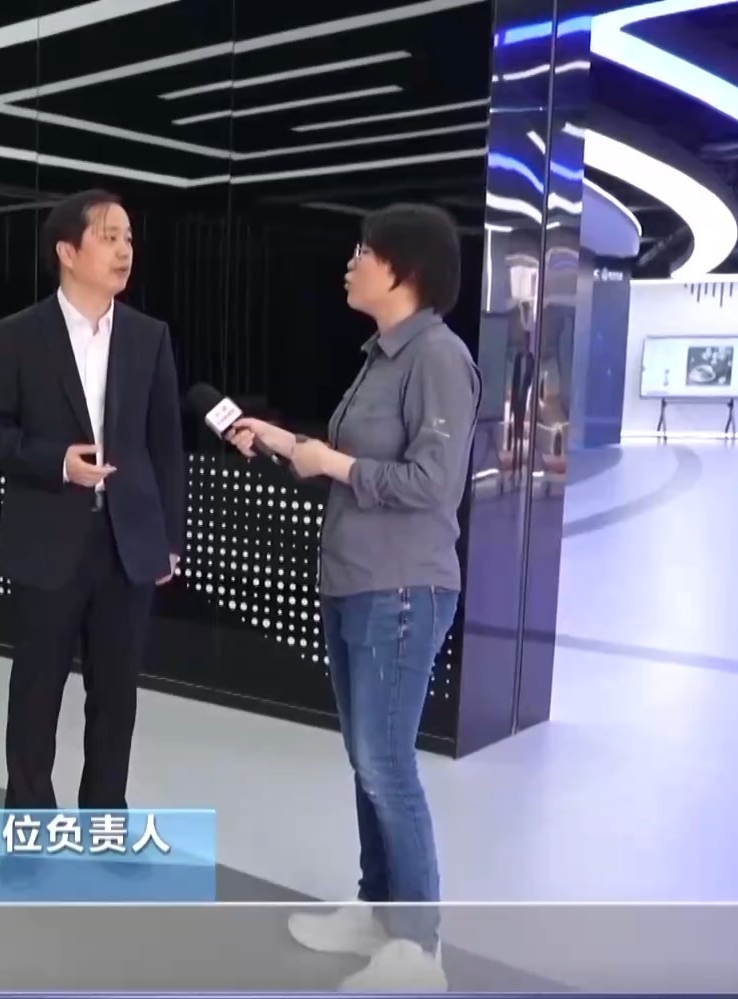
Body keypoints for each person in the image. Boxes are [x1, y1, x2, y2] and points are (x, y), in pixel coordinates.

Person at [227, 203, 480, 991]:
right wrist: (284, 444)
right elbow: (351, 459)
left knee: (385, 763)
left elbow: (431, 483)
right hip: (352, 582)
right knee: (365, 758)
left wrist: (331, 464)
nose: (350, 262)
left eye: (363, 251)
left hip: (400, 588)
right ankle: (378, 909)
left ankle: (418, 946)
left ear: (403, 269)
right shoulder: (378, 356)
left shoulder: (437, 357)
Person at [0, 190, 185, 815]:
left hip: (128, 543)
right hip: (47, 540)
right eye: (109, 237)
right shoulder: (15, 336)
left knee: (116, 697)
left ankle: (104, 819)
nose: (124, 250)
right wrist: (57, 461)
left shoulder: (149, 337)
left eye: (129, 238)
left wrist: (169, 538)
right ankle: (29, 821)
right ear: (68, 251)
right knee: (36, 694)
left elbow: (166, 447)